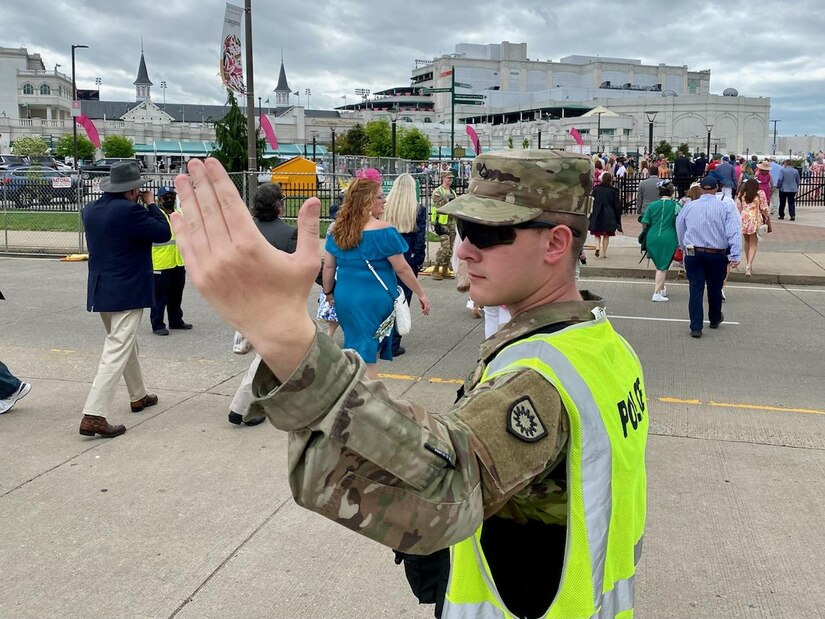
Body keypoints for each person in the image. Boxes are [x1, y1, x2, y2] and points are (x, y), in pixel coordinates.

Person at [171, 151, 648, 619]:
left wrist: (286, 337)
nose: (463, 249)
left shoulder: (542, 373)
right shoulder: (603, 345)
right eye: (463, 230)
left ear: (555, 243)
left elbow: (445, 486)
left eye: (487, 232)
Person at [79, 161, 170, 438]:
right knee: (117, 348)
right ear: (132, 190)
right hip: (128, 290)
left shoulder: (90, 210)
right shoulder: (131, 211)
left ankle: (138, 395)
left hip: (101, 289)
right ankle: (94, 414)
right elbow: (163, 234)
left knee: (126, 344)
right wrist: (152, 204)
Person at [321, 176, 430, 379]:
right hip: (374, 298)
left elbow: (328, 266)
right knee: (368, 352)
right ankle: (368, 397)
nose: (385, 200)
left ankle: (354, 389)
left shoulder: (337, 230)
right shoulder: (384, 231)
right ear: (368, 202)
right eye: (380, 196)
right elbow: (403, 269)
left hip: (346, 297)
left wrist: (328, 292)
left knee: (357, 345)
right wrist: (420, 293)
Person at [228, 183, 298, 428]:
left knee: (278, 353)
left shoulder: (244, 232)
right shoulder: (289, 234)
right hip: (275, 302)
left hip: (246, 299)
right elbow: (295, 270)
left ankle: (273, 399)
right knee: (268, 354)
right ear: (279, 206)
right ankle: (241, 406)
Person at [676, 175, 742, 338]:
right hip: (717, 253)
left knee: (695, 288)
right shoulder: (724, 207)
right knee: (715, 287)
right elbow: (734, 231)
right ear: (716, 189)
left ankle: (696, 326)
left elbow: (679, 224)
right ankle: (714, 317)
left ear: (700, 189)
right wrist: (735, 253)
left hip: (694, 252)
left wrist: (683, 245)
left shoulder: (690, 206)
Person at [382, 173, 427, 356]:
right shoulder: (417, 209)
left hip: (386, 254)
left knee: (384, 297)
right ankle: (393, 343)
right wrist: (418, 262)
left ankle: (380, 339)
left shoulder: (386, 207)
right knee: (402, 300)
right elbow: (420, 239)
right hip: (407, 253)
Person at [150, 186, 193, 336]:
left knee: (176, 294)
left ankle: (176, 320)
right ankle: (157, 324)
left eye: (172, 197)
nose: (169, 200)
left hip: (178, 261)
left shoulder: (179, 214)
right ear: (159, 200)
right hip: (160, 263)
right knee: (160, 296)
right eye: (165, 198)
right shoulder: (155, 216)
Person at [641, 180, 681, 302]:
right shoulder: (676, 206)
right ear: (672, 192)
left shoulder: (652, 206)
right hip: (669, 237)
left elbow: (645, 221)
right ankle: (657, 292)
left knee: (660, 264)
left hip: (652, 237)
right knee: (662, 266)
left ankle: (662, 288)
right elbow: (680, 223)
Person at [735, 178, 770, 277]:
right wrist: (767, 215)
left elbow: (738, 207)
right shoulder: (760, 193)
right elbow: (764, 208)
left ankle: (748, 263)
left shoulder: (742, 194)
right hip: (754, 219)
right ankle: (749, 264)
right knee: (753, 243)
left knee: (746, 242)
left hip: (744, 218)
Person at [430, 170, 457, 280]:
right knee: (445, 248)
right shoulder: (438, 192)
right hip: (441, 223)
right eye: (448, 178)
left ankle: (445, 269)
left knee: (450, 248)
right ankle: (436, 269)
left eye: (451, 178)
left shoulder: (453, 191)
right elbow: (440, 205)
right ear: (443, 178)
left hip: (451, 223)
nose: (450, 180)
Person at [589, 171, 623, 258]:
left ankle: (597, 247)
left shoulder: (596, 189)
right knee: (606, 235)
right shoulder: (613, 191)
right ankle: (604, 253)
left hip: (597, 213)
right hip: (609, 214)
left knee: (596, 233)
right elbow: (617, 205)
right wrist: (617, 217)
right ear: (610, 180)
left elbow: (591, 201)